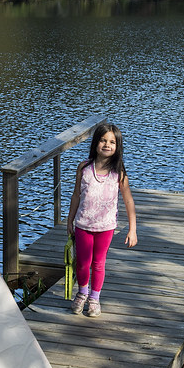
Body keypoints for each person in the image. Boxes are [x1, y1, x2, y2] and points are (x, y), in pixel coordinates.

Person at [66, 123, 138, 317]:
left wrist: (132, 229)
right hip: (83, 224)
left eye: (112, 142)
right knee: (82, 262)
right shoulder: (84, 168)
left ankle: (95, 298)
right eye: (103, 140)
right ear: (96, 142)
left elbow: (128, 200)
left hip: (106, 226)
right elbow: (75, 196)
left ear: (117, 146)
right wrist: (70, 219)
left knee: (98, 263)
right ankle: (82, 293)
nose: (107, 145)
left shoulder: (118, 173)